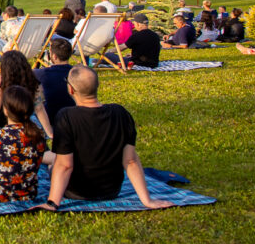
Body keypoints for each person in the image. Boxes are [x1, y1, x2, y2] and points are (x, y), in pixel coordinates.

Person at [41, 66, 173, 210]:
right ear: (97, 86)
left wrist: (52, 203)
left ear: (71, 89)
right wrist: (147, 200)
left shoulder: (66, 117)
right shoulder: (120, 113)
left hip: (75, 192)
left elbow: (65, 165)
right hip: (111, 190)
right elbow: (131, 161)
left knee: (53, 164)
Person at [34, 38, 76, 123]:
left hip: (50, 117)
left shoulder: (43, 73)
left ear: (54, 56)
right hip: (73, 116)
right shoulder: (77, 72)